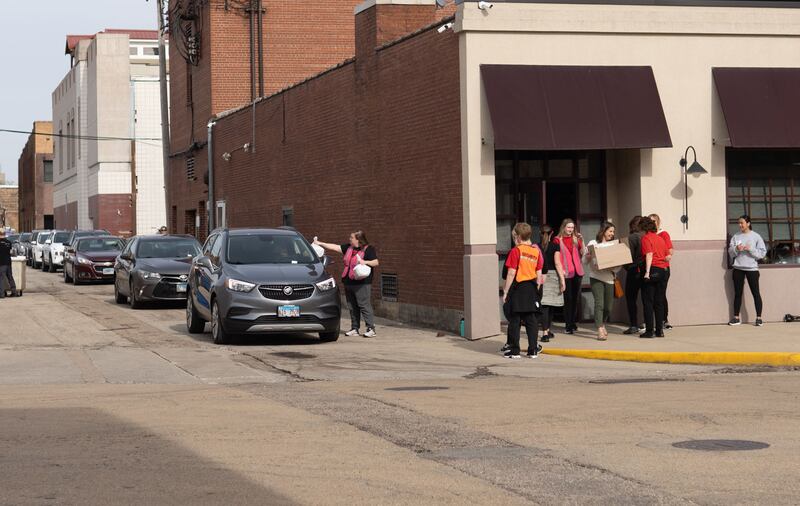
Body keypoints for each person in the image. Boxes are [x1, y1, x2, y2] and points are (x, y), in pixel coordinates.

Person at [314, 231, 379, 338]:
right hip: (349, 282)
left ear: (358, 239)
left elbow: (376, 262)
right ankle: (355, 328)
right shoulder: (349, 248)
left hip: (362, 283)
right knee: (352, 306)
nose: (350, 239)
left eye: (352, 237)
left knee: (363, 305)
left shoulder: (368, 249)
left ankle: (371, 328)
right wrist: (320, 243)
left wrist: (364, 262)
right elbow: (335, 247)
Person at [501, 223, 544, 359]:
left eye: (514, 236)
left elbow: (511, 273)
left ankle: (515, 351)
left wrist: (506, 291)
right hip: (531, 287)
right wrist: (536, 289)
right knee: (531, 320)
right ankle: (533, 350)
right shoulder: (536, 251)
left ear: (518, 237)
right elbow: (539, 273)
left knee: (515, 320)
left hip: (518, 287)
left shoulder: (516, 251)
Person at [727, 215, 766, 326]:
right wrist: (736, 249)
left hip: (752, 269)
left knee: (756, 293)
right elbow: (730, 252)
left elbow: (762, 253)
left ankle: (759, 318)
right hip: (738, 268)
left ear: (748, 223)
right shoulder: (736, 236)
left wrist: (751, 249)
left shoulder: (756, 237)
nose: (740, 225)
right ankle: (736, 317)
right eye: (739, 223)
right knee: (737, 294)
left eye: (742, 223)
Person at [583, 222, 618, 340]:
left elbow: (618, 265)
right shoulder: (593, 243)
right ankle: (599, 330)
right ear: (604, 231)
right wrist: (587, 256)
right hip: (596, 277)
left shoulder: (613, 245)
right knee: (599, 304)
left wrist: (613, 267)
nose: (612, 234)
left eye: (613, 232)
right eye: (610, 231)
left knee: (608, 307)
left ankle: (602, 323)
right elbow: (584, 261)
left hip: (609, 278)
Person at [552, 218, 586, 334]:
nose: (571, 230)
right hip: (566, 273)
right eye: (568, 227)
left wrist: (582, 240)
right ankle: (568, 325)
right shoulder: (557, 240)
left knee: (575, 299)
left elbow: (584, 253)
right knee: (568, 299)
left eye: (572, 227)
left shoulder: (576, 239)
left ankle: (572, 322)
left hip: (577, 272)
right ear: (563, 227)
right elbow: (556, 257)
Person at [638, 217, 669, 338]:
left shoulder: (646, 238)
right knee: (659, 302)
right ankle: (659, 331)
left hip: (652, 270)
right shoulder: (660, 239)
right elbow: (667, 255)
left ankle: (649, 331)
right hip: (662, 271)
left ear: (643, 228)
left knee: (648, 302)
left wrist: (647, 272)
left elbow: (649, 254)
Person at [538, 224, 565, 343]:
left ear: (540, 233)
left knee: (544, 306)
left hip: (540, 276)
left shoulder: (536, 247)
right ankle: (546, 331)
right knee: (551, 306)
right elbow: (558, 263)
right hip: (553, 276)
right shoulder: (555, 246)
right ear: (552, 233)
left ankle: (546, 331)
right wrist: (562, 280)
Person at [649, 214, 673, 329]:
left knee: (660, 294)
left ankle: (664, 320)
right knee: (651, 295)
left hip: (662, 268)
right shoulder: (647, 236)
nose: (651, 223)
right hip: (651, 268)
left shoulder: (663, 234)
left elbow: (670, 252)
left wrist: (660, 258)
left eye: (653, 221)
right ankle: (654, 321)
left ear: (658, 222)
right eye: (649, 221)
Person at [623, 216, 644, 335]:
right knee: (647, 299)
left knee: (631, 298)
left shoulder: (632, 238)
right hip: (646, 270)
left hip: (634, 270)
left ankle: (634, 325)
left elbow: (627, 257)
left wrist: (627, 267)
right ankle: (648, 323)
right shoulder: (646, 237)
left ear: (632, 226)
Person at [0, 230, 19, 298]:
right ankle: (14, 292)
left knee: (1, 278)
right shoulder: (9, 242)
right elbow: (11, 252)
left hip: (1, 263)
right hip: (8, 262)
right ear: (4, 234)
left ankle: (1, 294)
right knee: (10, 277)